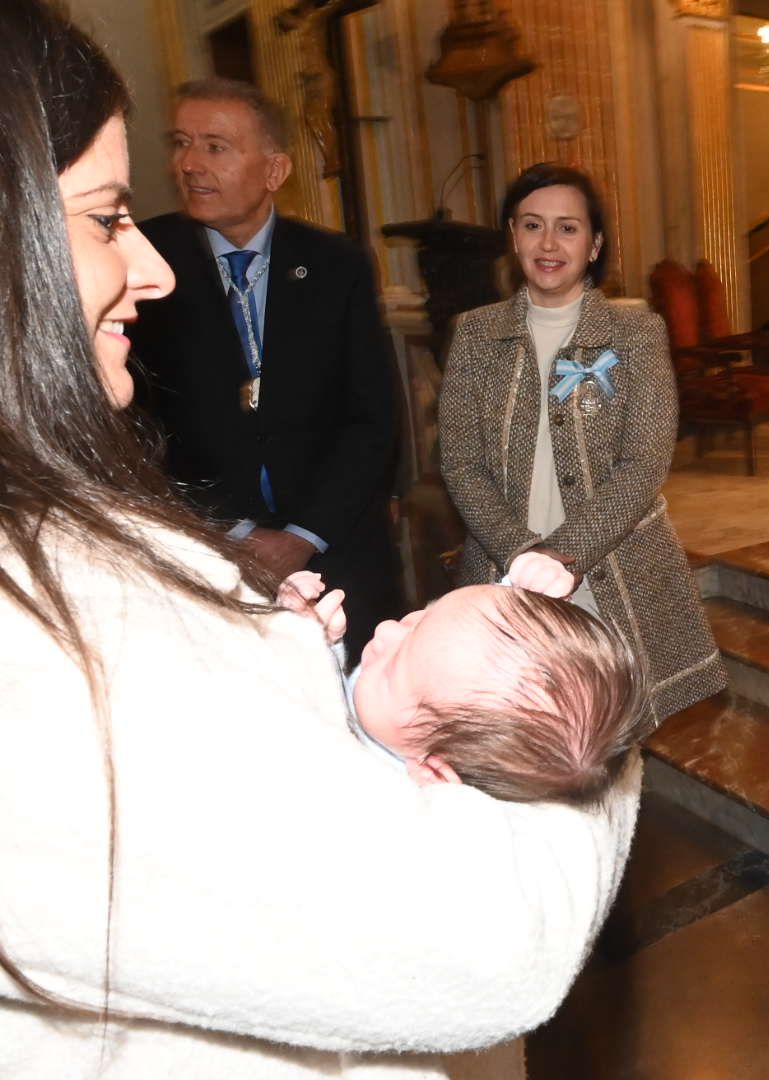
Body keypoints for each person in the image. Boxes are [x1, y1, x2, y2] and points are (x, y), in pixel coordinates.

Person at [0, 4, 638, 1077]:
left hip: (357, 551)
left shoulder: (335, 270)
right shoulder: (46, 642)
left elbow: (377, 423)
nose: (148, 264)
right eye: (109, 214)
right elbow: (483, 942)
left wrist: (278, 608)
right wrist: (586, 728)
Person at [438, 162, 725, 724]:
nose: (549, 243)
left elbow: (644, 464)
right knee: (514, 728)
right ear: (512, 236)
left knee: (610, 735)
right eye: (532, 225)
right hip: (503, 567)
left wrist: (565, 554)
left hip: (611, 568)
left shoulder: (637, 335)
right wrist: (521, 553)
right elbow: (461, 463)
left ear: (594, 244)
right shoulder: (475, 334)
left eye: (568, 228)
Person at [128, 76, 402, 660]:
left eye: (216, 146)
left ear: (274, 170)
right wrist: (232, 533)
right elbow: (132, 425)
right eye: (181, 142)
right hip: (202, 548)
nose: (190, 164)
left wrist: (302, 537)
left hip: (337, 546)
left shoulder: (336, 264)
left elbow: (372, 418)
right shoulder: (143, 262)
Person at [281, 551, 648, 802]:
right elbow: (473, 638)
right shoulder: (429, 705)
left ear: (434, 773)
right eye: (421, 617)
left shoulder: (360, 782)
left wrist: (288, 646)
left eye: (394, 669)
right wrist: (521, 587)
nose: (386, 630)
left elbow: (315, 714)